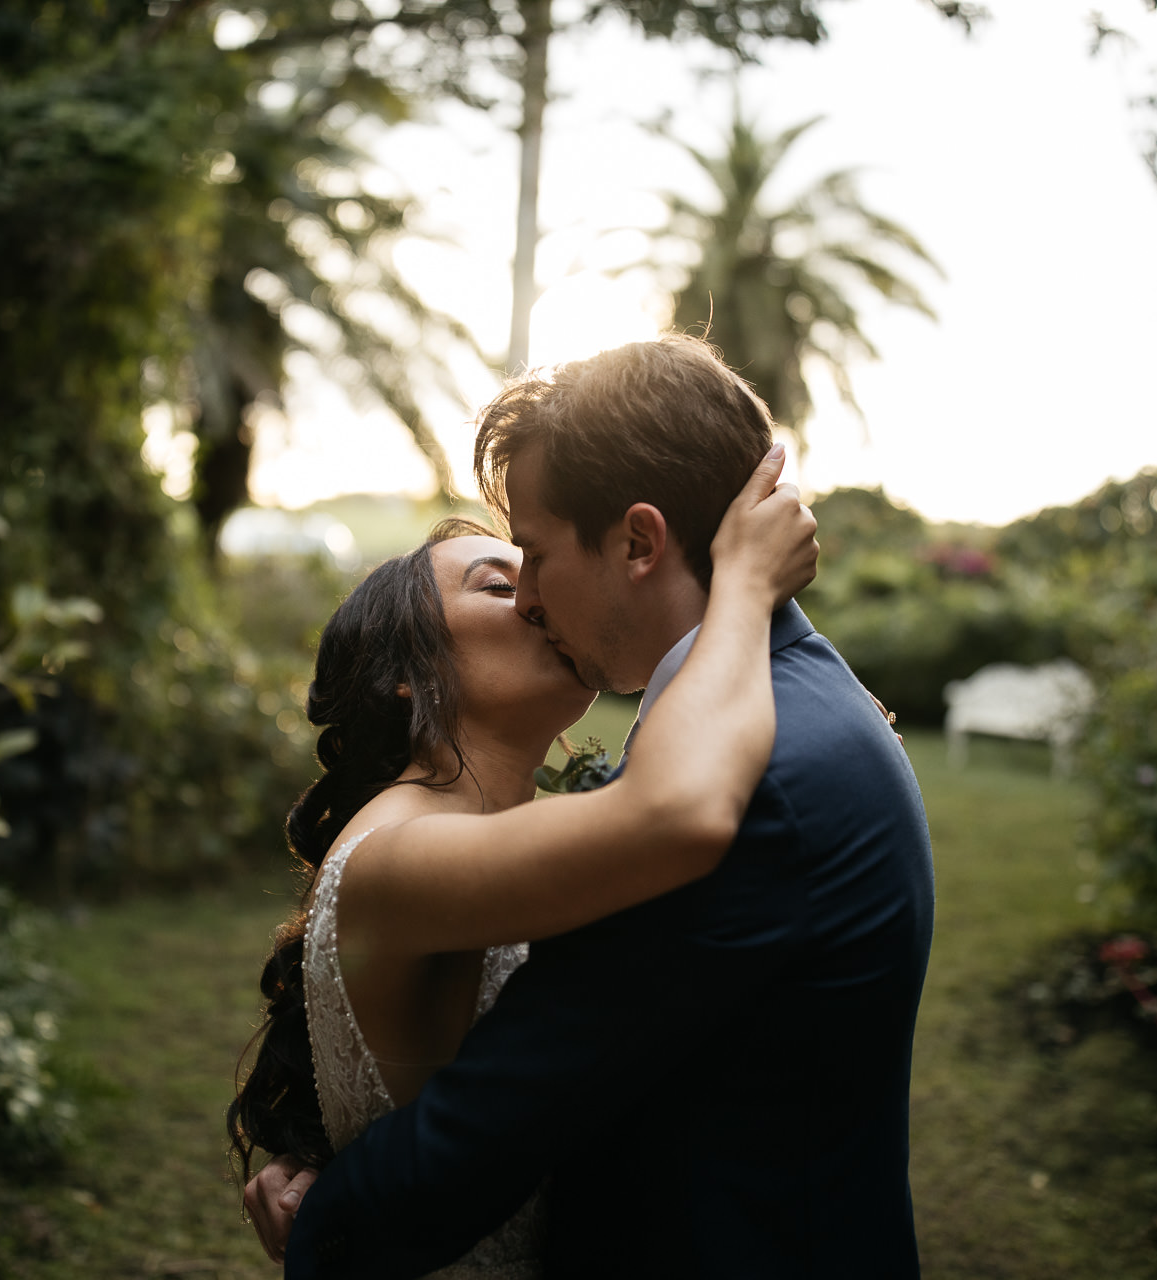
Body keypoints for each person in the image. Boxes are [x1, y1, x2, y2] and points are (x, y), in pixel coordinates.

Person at [249, 334, 934, 1278]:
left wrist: (328, 1219)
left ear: (639, 543)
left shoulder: (754, 778)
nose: (531, 598)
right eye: (501, 579)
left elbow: (515, 1101)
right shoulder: (785, 711)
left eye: (531, 555)